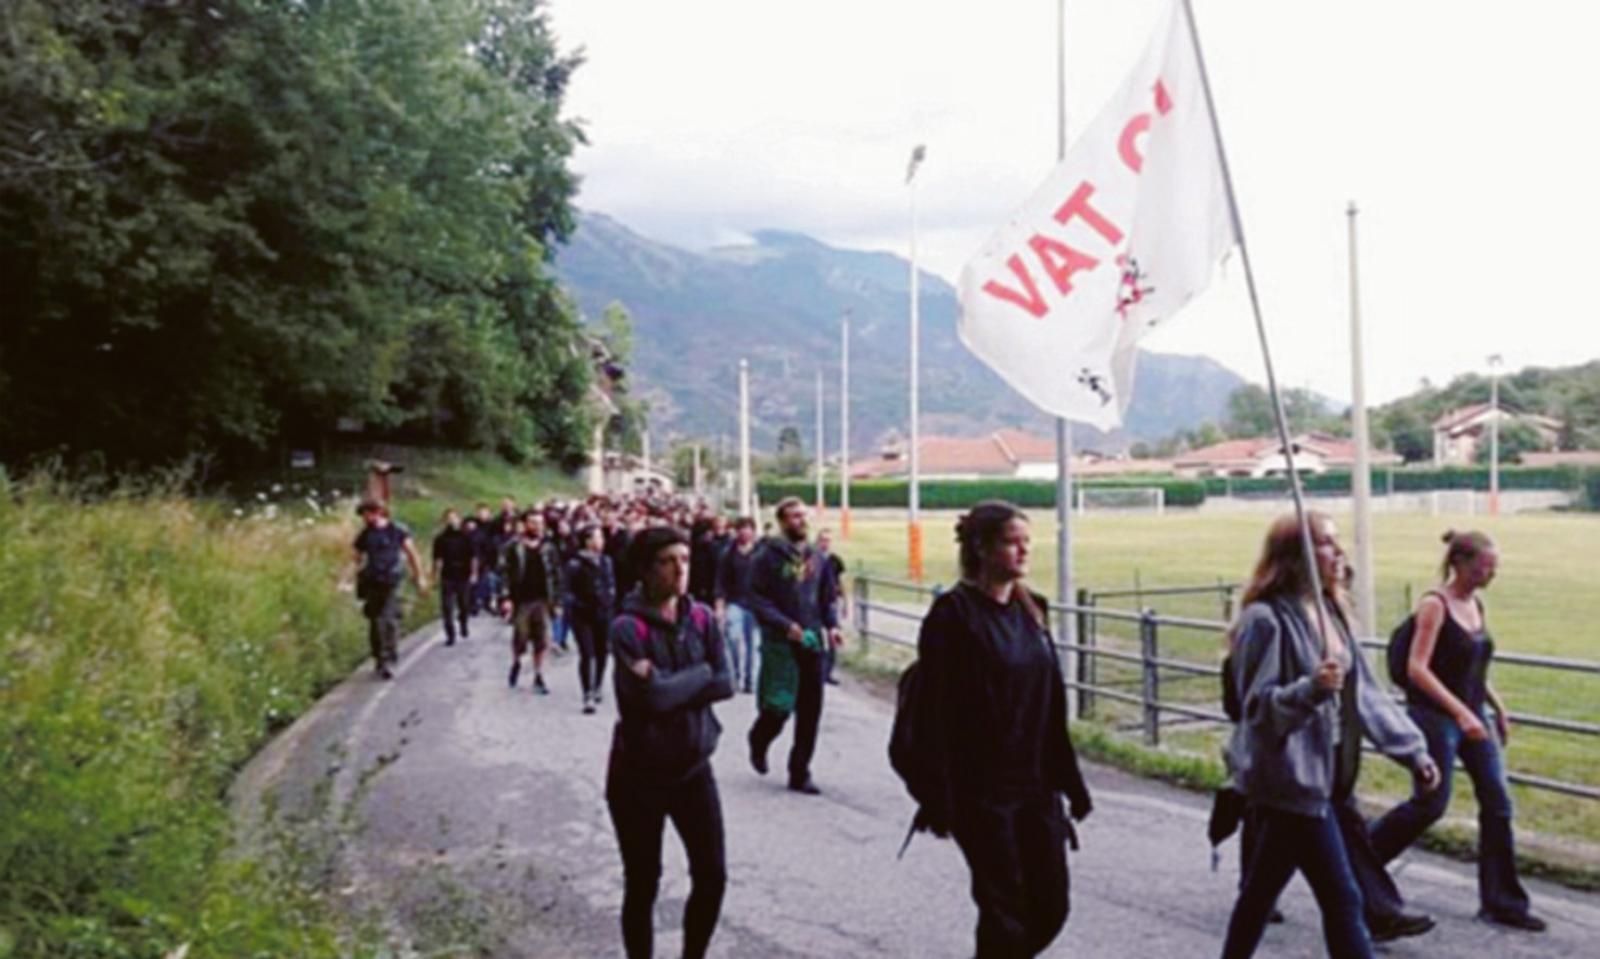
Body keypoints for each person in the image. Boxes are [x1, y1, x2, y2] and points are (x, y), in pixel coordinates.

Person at [1220, 512, 1441, 959]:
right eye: (1326, 542)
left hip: (1330, 779)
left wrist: (1413, 752)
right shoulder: (1265, 621)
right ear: (1294, 554)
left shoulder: (1331, 614)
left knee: (1260, 893)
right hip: (1292, 783)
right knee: (1343, 899)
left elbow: (1367, 696)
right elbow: (1257, 712)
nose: (1339, 553)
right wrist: (1311, 691)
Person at [909, 501, 1091, 959]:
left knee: (1050, 908)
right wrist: (938, 796)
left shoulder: (1033, 610)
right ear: (981, 548)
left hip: (1036, 786)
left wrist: (1070, 781)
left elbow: (1050, 705)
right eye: (1012, 542)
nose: (1024, 551)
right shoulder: (953, 615)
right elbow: (935, 711)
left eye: (1027, 541)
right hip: (981, 792)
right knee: (1004, 912)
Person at [1368, 531, 1546, 931]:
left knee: (1498, 803)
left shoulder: (1475, 605)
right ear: (1460, 564)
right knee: (1430, 805)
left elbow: (1473, 667)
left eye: (1494, 566)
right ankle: (1359, 864)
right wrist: (1460, 713)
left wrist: (1497, 708)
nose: (1492, 573)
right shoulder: (1435, 606)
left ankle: (1503, 902)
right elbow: (1417, 669)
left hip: (1473, 716)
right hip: (1435, 717)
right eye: (1485, 567)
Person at [606, 526, 733, 959]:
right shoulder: (627, 628)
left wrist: (674, 681)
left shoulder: (701, 619)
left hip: (693, 769)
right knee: (643, 882)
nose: (680, 569)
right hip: (638, 776)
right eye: (667, 561)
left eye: (685, 559)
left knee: (712, 876)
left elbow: (726, 682)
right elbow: (653, 700)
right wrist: (700, 674)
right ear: (644, 570)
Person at [745, 497, 842, 795]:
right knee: (778, 707)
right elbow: (756, 598)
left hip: (811, 640)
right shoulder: (766, 556)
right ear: (782, 521)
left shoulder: (817, 557)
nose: (801, 520)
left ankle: (800, 771)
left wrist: (832, 626)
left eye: (803, 515)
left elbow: (827, 596)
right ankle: (760, 739)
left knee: (810, 709)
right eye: (794, 516)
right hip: (781, 642)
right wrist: (785, 625)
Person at [352, 499, 426, 679]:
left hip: (391, 580)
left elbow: (412, 554)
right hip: (372, 581)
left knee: (387, 619)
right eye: (363, 516)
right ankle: (380, 657)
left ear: (378, 512)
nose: (365, 519)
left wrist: (419, 577)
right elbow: (356, 558)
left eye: (367, 514)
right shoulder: (365, 534)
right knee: (375, 621)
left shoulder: (397, 530)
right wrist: (351, 578)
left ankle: (389, 654)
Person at [500, 510, 562, 694]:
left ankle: (538, 674)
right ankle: (517, 661)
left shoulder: (549, 548)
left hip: (543, 599)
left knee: (542, 639)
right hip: (521, 600)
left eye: (540, 523)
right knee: (521, 636)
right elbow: (504, 573)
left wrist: (557, 602)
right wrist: (505, 598)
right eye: (533, 522)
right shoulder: (513, 547)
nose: (537, 527)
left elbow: (557, 575)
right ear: (525, 524)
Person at [566, 524, 618, 714]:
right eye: (596, 537)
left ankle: (597, 685)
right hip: (582, 614)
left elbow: (611, 583)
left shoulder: (606, 561)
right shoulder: (576, 564)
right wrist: (574, 605)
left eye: (601, 537)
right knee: (587, 653)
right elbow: (568, 589)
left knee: (602, 651)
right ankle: (587, 693)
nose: (600, 541)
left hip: (603, 612)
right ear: (587, 541)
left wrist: (610, 599)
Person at [715, 516, 760, 693]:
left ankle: (750, 680)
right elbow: (720, 581)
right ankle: (735, 674)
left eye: (748, 529)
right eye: (741, 529)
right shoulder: (728, 553)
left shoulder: (760, 553)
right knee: (733, 638)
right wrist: (719, 605)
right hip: (735, 601)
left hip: (756, 604)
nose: (744, 532)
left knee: (753, 643)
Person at [431, 508, 477, 646]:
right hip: (448, 575)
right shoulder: (440, 539)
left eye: (454, 518)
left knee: (464, 604)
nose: (451, 521)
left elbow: (473, 557)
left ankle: (463, 622)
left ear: (459, 520)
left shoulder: (466, 537)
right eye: (448, 518)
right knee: (447, 607)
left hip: (463, 574)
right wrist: (434, 575)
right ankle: (450, 634)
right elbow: (438, 559)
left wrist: (474, 573)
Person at [815, 528, 847, 686]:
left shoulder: (835, 561)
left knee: (833, 636)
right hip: (816, 603)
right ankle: (818, 669)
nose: (825, 543)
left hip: (832, 601)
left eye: (828, 540)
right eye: (823, 540)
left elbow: (841, 582)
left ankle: (828, 671)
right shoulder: (812, 559)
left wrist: (845, 601)